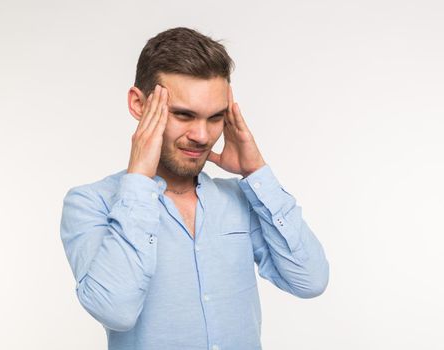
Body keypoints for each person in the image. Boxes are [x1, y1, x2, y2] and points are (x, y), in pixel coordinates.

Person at [60, 27, 329, 350]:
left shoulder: (241, 198)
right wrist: (139, 181)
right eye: (183, 115)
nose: (202, 135)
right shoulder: (91, 203)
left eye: (215, 118)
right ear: (138, 104)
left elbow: (310, 281)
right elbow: (116, 311)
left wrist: (256, 170)